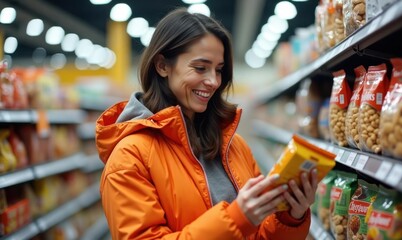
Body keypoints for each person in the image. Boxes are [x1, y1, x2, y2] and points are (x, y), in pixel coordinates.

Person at [96, 7, 318, 240]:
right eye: (200, 68)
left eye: (219, 70)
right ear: (162, 66)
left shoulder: (236, 146)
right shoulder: (129, 157)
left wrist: (290, 217)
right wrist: (237, 219)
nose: (213, 81)